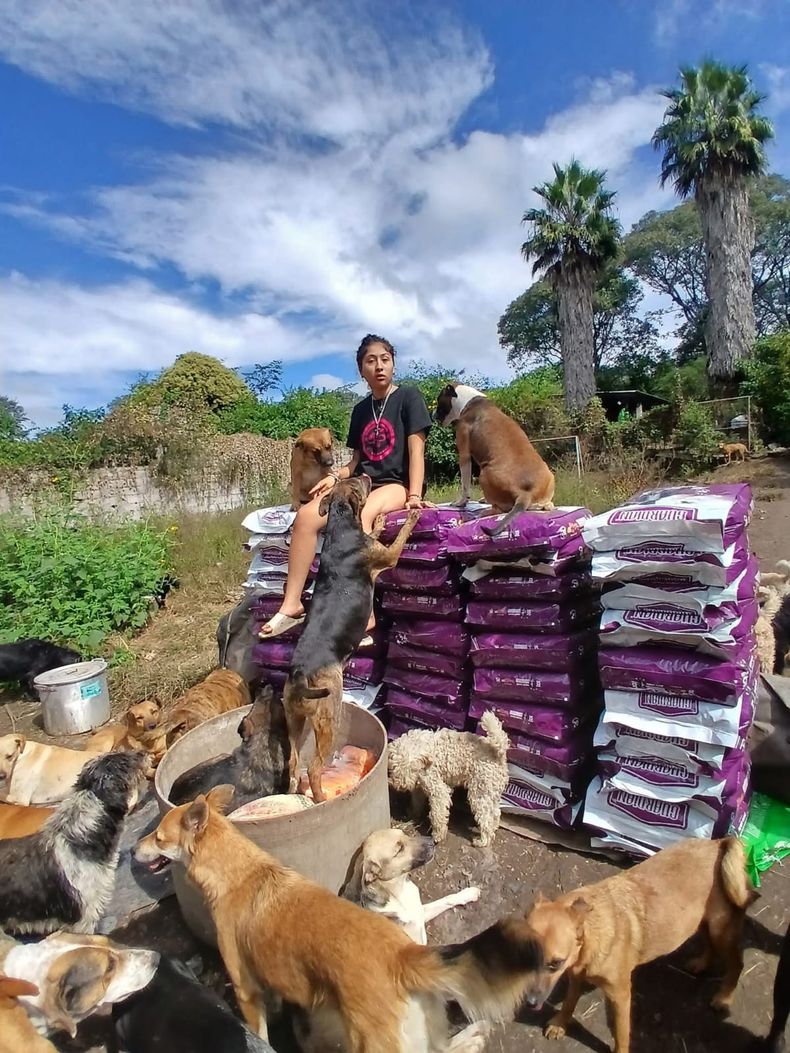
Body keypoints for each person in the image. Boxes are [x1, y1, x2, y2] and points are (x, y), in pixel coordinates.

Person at [260, 334, 432, 640]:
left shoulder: (408, 398)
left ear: (392, 363)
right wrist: (335, 477)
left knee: (359, 520)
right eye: (371, 361)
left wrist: (415, 495)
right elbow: (355, 461)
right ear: (361, 370)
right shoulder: (361, 410)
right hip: (359, 483)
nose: (379, 366)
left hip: (395, 484)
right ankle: (292, 604)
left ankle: (365, 616)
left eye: (385, 359)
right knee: (306, 517)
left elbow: (416, 451)